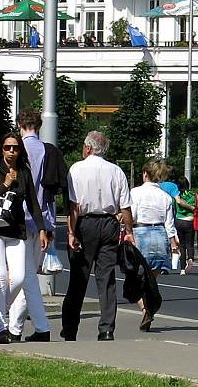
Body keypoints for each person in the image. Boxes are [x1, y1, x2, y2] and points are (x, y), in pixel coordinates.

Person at [61, 131, 134, 342]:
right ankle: (107, 328)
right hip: (110, 223)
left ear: (89, 148)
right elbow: (125, 207)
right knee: (107, 278)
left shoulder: (77, 169)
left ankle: (70, 327)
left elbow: (74, 206)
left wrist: (71, 232)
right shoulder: (117, 171)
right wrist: (128, 232)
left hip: (85, 225)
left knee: (78, 277)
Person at [0, 132, 47, 344]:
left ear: (20, 151)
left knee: (18, 277)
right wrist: (5, 184)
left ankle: (0, 307)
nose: (11, 151)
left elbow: (34, 204)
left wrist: (42, 229)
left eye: (15, 148)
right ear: (2, 149)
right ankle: (1, 328)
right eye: (7, 147)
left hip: (16, 230)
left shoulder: (24, 172)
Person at [8, 108, 68, 342]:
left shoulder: (14, 150)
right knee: (29, 274)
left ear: (19, 125)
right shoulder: (49, 151)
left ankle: (13, 326)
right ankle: (16, 326)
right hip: (43, 219)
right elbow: (59, 188)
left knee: (22, 276)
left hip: (16, 219)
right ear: (39, 126)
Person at [129, 158, 178, 332]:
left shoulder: (135, 193)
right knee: (151, 280)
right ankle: (149, 307)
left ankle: (146, 310)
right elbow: (169, 224)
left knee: (134, 281)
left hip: (140, 233)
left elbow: (132, 216)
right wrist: (173, 244)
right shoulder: (166, 197)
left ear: (145, 174)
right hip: (160, 235)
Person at [174, 176, 198, 276]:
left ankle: (182, 269)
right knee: (190, 243)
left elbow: (174, 207)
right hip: (189, 221)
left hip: (179, 220)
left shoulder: (176, 196)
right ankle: (191, 259)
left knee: (182, 245)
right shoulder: (193, 195)